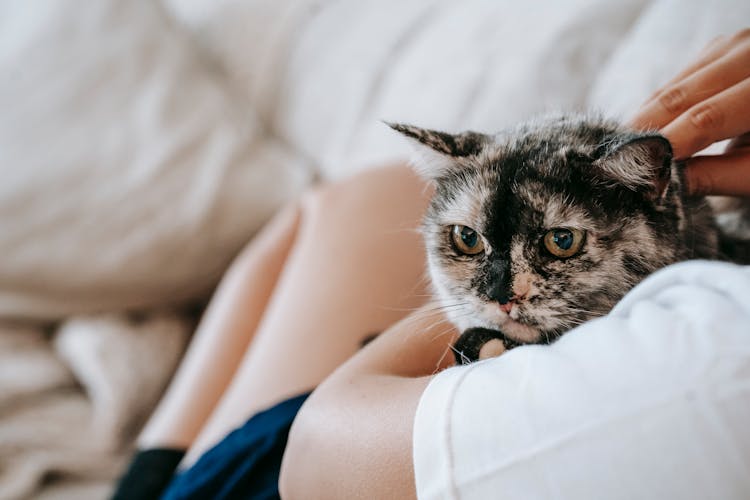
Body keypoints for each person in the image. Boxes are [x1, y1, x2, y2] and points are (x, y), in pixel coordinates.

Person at [113, 31, 750, 499]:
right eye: (467, 244)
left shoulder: (694, 371)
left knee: (345, 212)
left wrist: (468, 314)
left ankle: (150, 485)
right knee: (353, 200)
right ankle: (143, 482)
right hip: (319, 423)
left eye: (560, 245)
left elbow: (317, 459)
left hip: (305, 458)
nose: (506, 295)